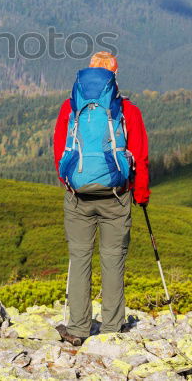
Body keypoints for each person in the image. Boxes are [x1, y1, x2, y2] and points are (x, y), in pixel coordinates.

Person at [52, 51, 150, 345]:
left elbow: (61, 152)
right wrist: (141, 194)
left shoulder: (69, 108)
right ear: (113, 76)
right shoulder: (128, 111)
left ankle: (79, 328)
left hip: (78, 195)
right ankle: (112, 328)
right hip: (116, 196)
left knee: (80, 258)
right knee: (112, 259)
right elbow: (141, 157)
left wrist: (72, 183)